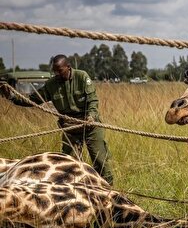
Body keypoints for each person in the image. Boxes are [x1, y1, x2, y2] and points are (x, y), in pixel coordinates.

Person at [1, 54, 114, 185]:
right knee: (69, 165)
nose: (57, 74)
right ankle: (75, 191)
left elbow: (93, 101)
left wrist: (91, 116)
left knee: (100, 160)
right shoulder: (51, 84)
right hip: (70, 128)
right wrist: (12, 96)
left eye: (59, 70)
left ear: (68, 67)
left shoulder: (82, 77)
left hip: (90, 126)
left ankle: (109, 190)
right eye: (54, 71)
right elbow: (32, 100)